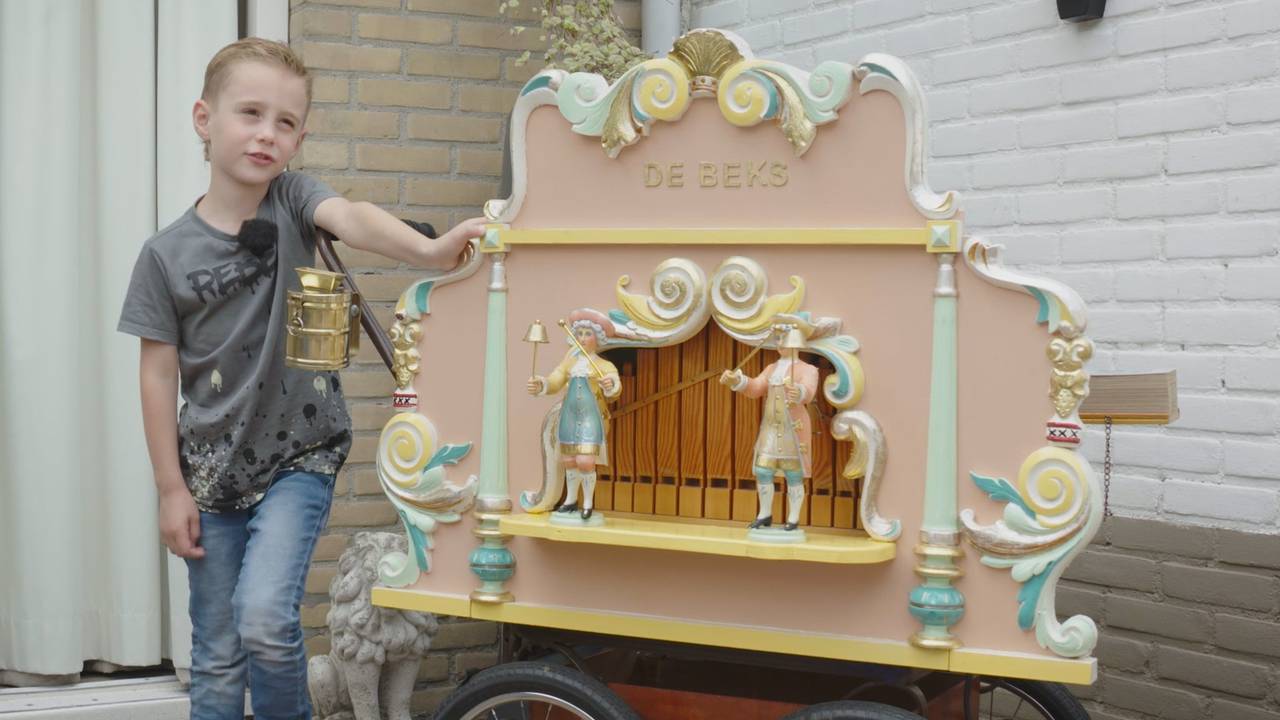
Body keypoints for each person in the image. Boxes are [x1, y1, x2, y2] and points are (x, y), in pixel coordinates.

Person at [116, 38, 485, 720]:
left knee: (263, 619)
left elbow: (351, 218)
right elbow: (156, 372)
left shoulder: (292, 200)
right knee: (220, 651)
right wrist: (170, 488)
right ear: (204, 118)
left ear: (301, 137)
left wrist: (427, 249)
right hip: (209, 472)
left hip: (299, 457)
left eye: (285, 122)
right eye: (249, 113)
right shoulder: (164, 256)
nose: (266, 133)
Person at [719, 323, 819, 532]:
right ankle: (765, 514)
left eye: (783, 339)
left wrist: (799, 392)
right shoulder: (771, 368)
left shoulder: (808, 369)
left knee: (793, 474)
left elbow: (808, 390)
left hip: (793, 429)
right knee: (763, 470)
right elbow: (756, 388)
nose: (779, 343)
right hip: (771, 429)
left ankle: (793, 518)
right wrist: (737, 379)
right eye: (778, 339)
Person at [526, 309, 622, 521]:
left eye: (588, 334)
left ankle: (587, 501)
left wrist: (610, 384)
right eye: (580, 334)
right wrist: (541, 384)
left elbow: (614, 389)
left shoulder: (604, 366)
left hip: (591, 418)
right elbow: (555, 380)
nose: (583, 338)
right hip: (570, 416)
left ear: (598, 338)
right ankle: (570, 500)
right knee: (569, 459)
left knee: (586, 460)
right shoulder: (569, 362)